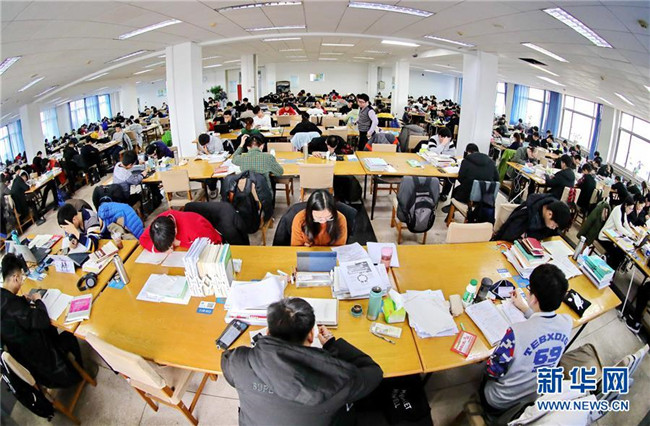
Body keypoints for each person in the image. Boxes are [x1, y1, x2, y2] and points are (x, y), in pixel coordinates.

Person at [222, 297, 382, 425]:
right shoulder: (337, 378)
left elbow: (226, 360)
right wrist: (332, 344)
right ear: (311, 336)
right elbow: (373, 372)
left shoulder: (238, 362)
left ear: (268, 332)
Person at [482, 264, 572, 413]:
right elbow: (542, 326)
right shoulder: (567, 322)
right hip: (532, 398)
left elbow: (493, 370)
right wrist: (525, 308)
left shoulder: (516, 332)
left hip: (500, 400)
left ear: (534, 298)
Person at [1, 254, 85, 388]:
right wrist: (38, 300)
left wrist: (23, 301)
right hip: (45, 365)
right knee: (69, 336)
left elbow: (13, 313)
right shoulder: (13, 305)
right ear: (15, 277)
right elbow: (42, 320)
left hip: (26, 358)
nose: (22, 282)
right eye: (21, 278)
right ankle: (79, 374)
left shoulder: (3, 296)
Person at [493, 193, 571, 242]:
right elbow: (508, 237)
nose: (553, 228)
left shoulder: (553, 214)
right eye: (554, 225)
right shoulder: (527, 213)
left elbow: (550, 236)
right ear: (549, 214)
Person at [139, 209, 222, 252]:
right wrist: (164, 249)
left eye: (170, 244)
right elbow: (143, 239)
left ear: (175, 232)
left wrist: (179, 243)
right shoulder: (159, 223)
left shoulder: (192, 229)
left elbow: (211, 246)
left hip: (214, 245)